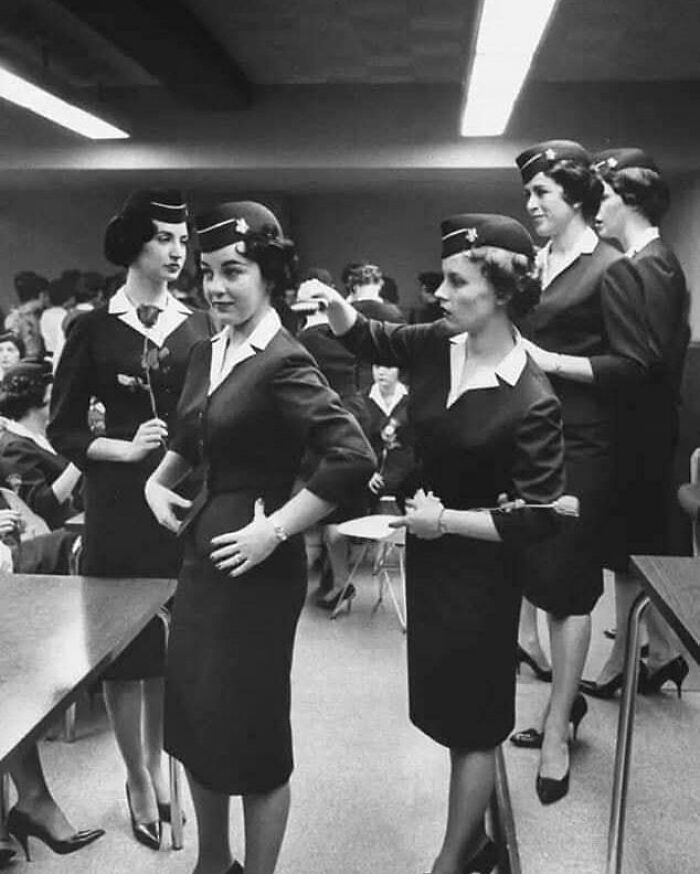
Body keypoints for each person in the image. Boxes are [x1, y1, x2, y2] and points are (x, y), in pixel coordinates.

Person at [303, 213, 565, 874]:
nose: (441, 293)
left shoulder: (531, 395)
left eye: (457, 281)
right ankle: (473, 835)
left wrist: (443, 520)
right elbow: (371, 334)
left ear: (502, 291)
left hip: (480, 570)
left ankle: (458, 856)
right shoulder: (442, 340)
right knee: (450, 707)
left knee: (474, 718)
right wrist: (337, 307)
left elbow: (536, 517)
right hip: (433, 556)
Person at [144, 201, 375, 874]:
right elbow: (192, 435)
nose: (216, 287)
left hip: (256, 574)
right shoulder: (206, 349)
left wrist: (275, 530)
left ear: (268, 273)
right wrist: (158, 481)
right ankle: (213, 863)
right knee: (194, 721)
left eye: (233, 271)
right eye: (208, 273)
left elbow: (352, 456)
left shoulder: (283, 359)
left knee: (251, 732)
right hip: (201, 561)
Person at [48, 189, 214, 851]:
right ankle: (139, 779)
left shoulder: (199, 325)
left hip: (182, 504)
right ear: (133, 246)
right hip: (117, 506)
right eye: (163, 240)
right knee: (125, 654)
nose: (177, 253)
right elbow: (62, 429)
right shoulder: (91, 327)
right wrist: (124, 448)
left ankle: (166, 764)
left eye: (183, 241)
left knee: (175, 652)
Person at [508, 140, 650, 804]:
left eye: (542, 194)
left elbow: (634, 367)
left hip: (585, 445)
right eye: (529, 193)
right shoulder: (538, 263)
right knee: (536, 573)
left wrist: (547, 359)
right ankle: (566, 699)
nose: (530, 204)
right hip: (531, 439)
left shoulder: (611, 268)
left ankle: (559, 725)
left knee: (567, 586)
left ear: (576, 199)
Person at [580, 148, 691, 698]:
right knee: (633, 549)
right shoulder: (660, 260)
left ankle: (627, 663)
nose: (594, 210)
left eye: (602, 199)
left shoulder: (640, 265)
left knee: (630, 549)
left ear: (630, 203)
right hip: (649, 427)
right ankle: (658, 654)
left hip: (636, 428)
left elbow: (639, 362)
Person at [0, 361, 82, 529]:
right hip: (56, 538)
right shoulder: (14, 448)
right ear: (40, 398)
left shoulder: (41, 437)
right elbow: (41, 505)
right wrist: (81, 458)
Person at [363, 364, 414, 507]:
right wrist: (365, 473)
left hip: (409, 488)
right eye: (377, 366)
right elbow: (354, 442)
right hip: (371, 489)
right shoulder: (360, 400)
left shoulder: (415, 398)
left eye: (388, 367)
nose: (381, 372)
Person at [5, 272, 47, 360]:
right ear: (42, 295)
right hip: (29, 366)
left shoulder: (11, 318)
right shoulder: (30, 319)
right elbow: (33, 352)